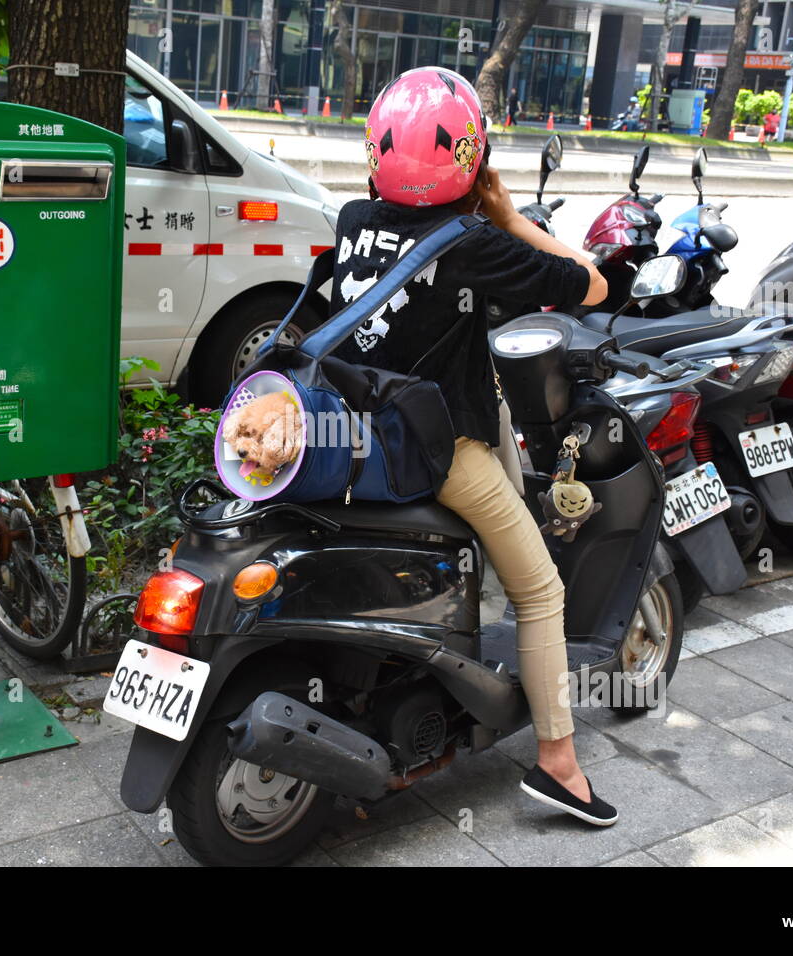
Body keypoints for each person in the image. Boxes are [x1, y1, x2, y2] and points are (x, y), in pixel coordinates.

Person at [341, 67, 617, 825]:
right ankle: (560, 764)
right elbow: (591, 285)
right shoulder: (473, 243)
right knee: (541, 592)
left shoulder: (349, 220)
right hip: (436, 449)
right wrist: (503, 211)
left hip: (352, 434)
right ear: (472, 159)